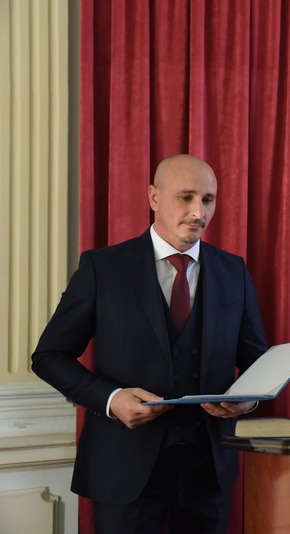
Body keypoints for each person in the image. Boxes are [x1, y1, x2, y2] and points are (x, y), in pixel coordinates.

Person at [31, 154, 269, 534]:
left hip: (208, 472)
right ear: (154, 197)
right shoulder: (103, 268)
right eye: (186, 197)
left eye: (207, 200)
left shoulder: (233, 270)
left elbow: (257, 358)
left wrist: (248, 399)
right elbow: (49, 356)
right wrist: (111, 399)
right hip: (123, 469)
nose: (198, 212)